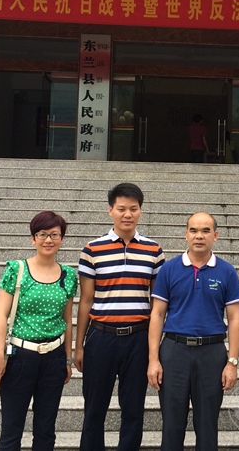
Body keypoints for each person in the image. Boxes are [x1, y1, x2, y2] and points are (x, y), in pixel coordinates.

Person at [75, 183, 165, 451]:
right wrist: (79, 346)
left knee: (134, 408)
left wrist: (154, 351)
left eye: (133, 209)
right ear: (110, 210)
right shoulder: (92, 249)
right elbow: (86, 300)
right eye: (121, 209)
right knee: (94, 408)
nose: (128, 214)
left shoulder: (154, 250)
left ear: (140, 211)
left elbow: (157, 304)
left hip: (138, 338)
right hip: (101, 337)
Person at [0, 211, 78, 451]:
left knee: (46, 431)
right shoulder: (17, 269)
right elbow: (1, 315)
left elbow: (67, 319)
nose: (48, 240)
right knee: (11, 431)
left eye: (54, 234)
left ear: (62, 239)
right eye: (42, 234)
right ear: (33, 238)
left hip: (54, 357)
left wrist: (67, 359)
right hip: (20, 357)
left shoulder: (68, 275)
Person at [147, 212, 239, 451]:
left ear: (216, 235)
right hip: (174, 352)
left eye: (206, 231)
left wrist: (232, 362)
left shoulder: (226, 271)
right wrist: (153, 360)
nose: (199, 236)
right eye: (194, 230)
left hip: (212, 353)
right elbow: (157, 314)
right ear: (186, 234)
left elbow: (234, 318)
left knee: (208, 424)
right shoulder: (169, 269)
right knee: (172, 424)